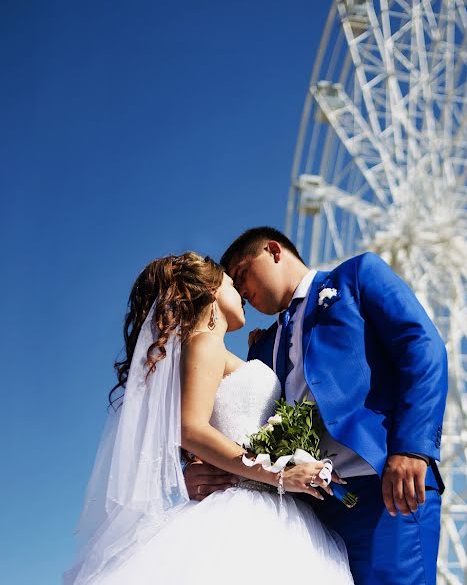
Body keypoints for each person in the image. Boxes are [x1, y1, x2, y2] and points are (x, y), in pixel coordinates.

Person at [66, 252, 354, 584]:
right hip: (252, 506)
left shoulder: (209, 349)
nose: (242, 295)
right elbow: (190, 428)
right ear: (212, 289)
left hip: (266, 501)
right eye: (233, 284)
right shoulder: (204, 343)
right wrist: (277, 473)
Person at [185, 227, 448, 585]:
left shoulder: (356, 276)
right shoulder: (260, 349)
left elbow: (421, 346)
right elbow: (241, 420)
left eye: (242, 272)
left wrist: (411, 448)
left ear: (273, 250)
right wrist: (202, 467)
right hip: (305, 509)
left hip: (382, 485)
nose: (241, 290)